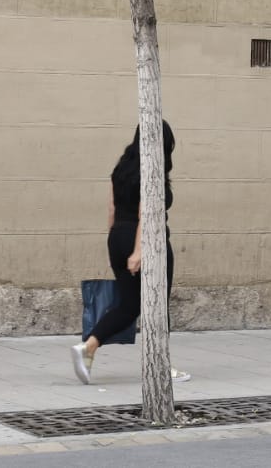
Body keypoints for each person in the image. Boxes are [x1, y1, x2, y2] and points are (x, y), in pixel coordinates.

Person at [69, 123, 186, 384]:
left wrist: (117, 244)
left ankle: (88, 347)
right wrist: (137, 250)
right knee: (157, 308)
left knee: (130, 305)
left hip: (117, 237)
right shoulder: (152, 171)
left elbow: (111, 210)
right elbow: (147, 213)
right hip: (145, 242)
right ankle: (160, 366)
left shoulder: (121, 169)